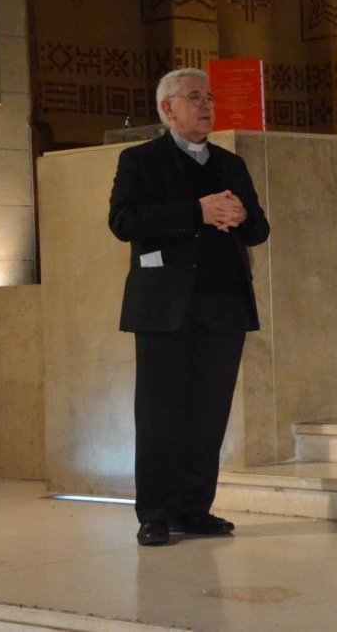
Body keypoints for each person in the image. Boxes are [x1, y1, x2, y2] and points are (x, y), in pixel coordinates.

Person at [109, 67, 270, 546]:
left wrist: (241, 216)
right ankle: (154, 513)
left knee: (208, 412)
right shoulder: (140, 160)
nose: (206, 106)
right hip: (164, 307)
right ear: (167, 109)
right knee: (160, 413)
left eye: (210, 98)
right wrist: (195, 212)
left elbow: (259, 229)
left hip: (223, 306)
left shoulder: (230, 164)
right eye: (194, 98)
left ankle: (193, 509)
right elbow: (123, 220)